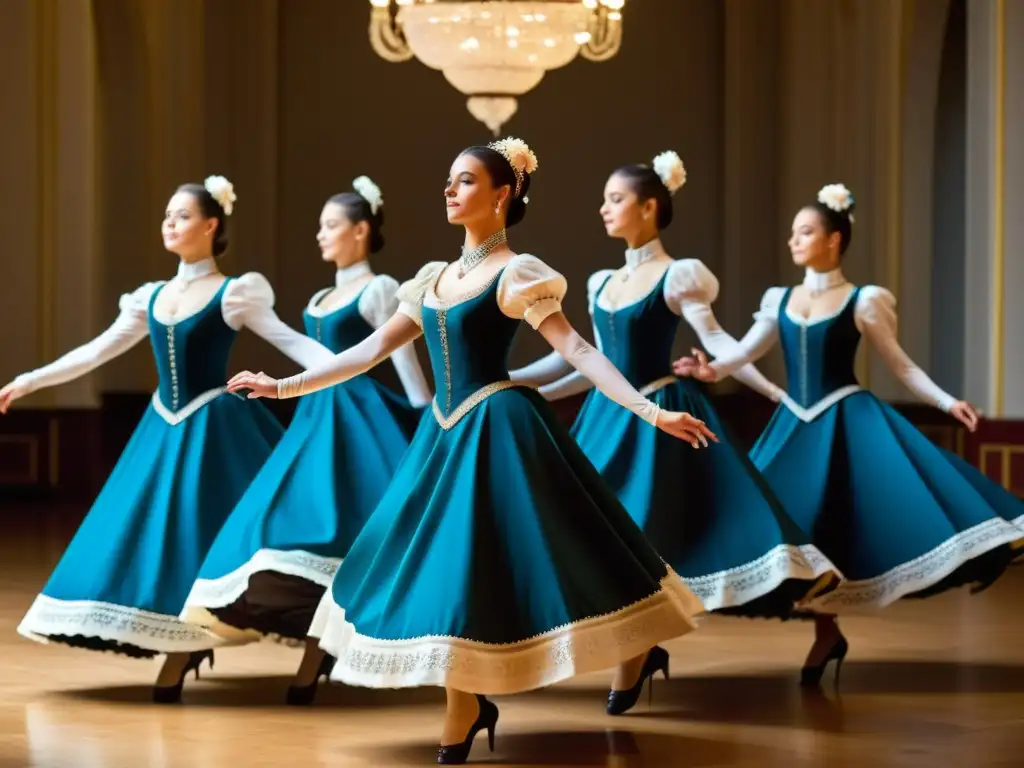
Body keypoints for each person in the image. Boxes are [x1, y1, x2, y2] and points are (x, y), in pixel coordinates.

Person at [227, 138, 714, 764]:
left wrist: (652, 411)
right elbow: (365, 353)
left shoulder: (517, 273)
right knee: (439, 566)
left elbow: (582, 352)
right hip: (442, 435)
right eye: (449, 181)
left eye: (464, 182)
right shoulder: (433, 279)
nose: (450, 191)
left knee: (560, 549)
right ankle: (466, 700)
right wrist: (281, 386)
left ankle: (628, 649)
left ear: (503, 193)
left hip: (498, 427)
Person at [673, 183, 1024, 687]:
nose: (794, 241)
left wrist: (947, 402)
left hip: (845, 420)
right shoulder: (781, 300)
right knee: (790, 526)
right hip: (795, 424)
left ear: (834, 239)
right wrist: (707, 370)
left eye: (806, 232)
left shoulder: (864, 301)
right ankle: (827, 632)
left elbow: (901, 365)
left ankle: (825, 634)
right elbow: (743, 353)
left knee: (843, 524)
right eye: (793, 233)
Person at [4, 176, 335, 702]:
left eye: (182, 215)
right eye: (167, 215)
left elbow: (294, 344)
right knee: (158, 541)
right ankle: (181, 643)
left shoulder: (235, 294)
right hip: (163, 430)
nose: (170, 223)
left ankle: (305, 644)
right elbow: (94, 353)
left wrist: (345, 373)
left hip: (215, 433)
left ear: (211, 225)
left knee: (231, 538)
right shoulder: (149, 299)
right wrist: (29, 381)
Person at [511, 152, 838, 622]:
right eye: (604, 200)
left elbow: (718, 340)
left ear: (649, 208)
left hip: (659, 419)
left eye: (616, 199)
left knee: (654, 528)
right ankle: (638, 646)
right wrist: (516, 382)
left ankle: (643, 645)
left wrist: (766, 390)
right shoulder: (602, 282)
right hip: (605, 417)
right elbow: (590, 363)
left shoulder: (678, 274)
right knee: (584, 524)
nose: (605, 208)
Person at [181, 177, 431, 705]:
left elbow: (403, 361)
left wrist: (425, 419)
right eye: (320, 227)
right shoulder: (321, 297)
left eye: (331, 226)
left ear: (360, 231)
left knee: (357, 530)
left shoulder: (381, 289)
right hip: (314, 416)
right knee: (271, 523)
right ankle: (287, 636)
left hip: (359, 420)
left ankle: (322, 650)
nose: (320, 236)